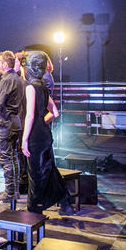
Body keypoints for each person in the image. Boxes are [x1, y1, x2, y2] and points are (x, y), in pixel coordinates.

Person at [20, 51, 75, 215]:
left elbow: (30, 116)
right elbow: (55, 112)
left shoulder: (30, 88)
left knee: (36, 174)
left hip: (35, 136)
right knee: (49, 169)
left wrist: (24, 139)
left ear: (28, 69)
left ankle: (34, 210)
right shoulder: (43, 87)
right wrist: (42, 122)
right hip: (45, 134)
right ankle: (65, 203)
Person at [0, 50, 25, 201]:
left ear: (5, 64)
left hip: (5, 122)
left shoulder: (6, 80)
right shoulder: (18, 78)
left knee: (5, 158)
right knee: (14, 157)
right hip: (15, 121)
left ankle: (10, 193)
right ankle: (14, 190)